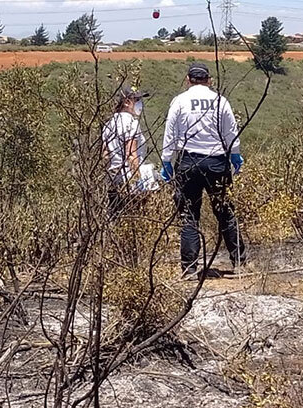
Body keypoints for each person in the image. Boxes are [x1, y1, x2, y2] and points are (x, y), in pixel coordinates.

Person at [160, 62, 246, 276]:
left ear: (188, 80)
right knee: (225, 212)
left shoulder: (179, 101)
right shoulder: (220, 101)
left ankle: (189, 267)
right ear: (209, 80)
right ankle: (239, 261)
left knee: (189, 214)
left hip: (188, 161)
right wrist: (235, 154)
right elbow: (230, 131)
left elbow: (170, 132)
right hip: (217, 161)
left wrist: (166, 160)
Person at [102, 85, 150, 218]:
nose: (140, 104)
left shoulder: (109, 124)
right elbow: (131, 154)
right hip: (128, 179)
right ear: (127, 102)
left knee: (116, 217)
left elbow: (105, 155)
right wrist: (138, 181)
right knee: (134, 218)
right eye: (137, 100)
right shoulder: (131, 123)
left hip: (113, 178)